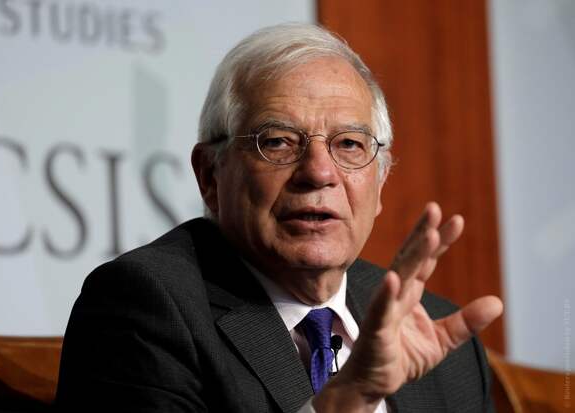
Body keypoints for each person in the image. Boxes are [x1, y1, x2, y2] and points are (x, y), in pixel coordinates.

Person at [55, 23, 503, 412]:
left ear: (380, 181)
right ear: (210, 175)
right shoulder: (145, 306)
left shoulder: (438, 339)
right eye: (278, 141)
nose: (319, 173)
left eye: (349, 144)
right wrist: (348, 400)